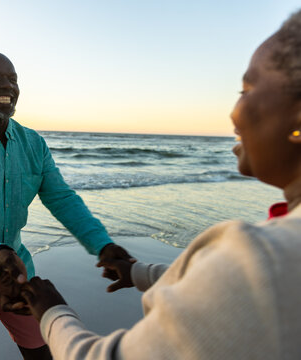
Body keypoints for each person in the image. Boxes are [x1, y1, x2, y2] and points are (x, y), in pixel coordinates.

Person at [21, 9, 301, 360]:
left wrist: (52, 312)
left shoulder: (267, 258)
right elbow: (218, 285)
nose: (233, 112)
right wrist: (138, 272)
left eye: (246, 89)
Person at [0, 52, 133, 360]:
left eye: (13, 79)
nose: (7, 85)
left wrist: (103, 246)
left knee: (42, 351)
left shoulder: (33, 143)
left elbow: (62, 198)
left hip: (14, 266)